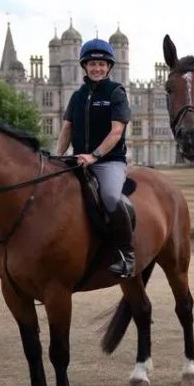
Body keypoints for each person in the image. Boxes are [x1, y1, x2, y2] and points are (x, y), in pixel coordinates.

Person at [55, 38, 135, 277]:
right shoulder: (77, 96)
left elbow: (117, 131)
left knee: (110, 197)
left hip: (109, 161)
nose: (96, 68)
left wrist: (94, 156)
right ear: (85, 67)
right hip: (78, 159)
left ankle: (126, 254)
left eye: (101, 64)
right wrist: (57, 157)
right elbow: (67, 129)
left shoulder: (116, 93)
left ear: (108, 66)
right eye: (92, 64)